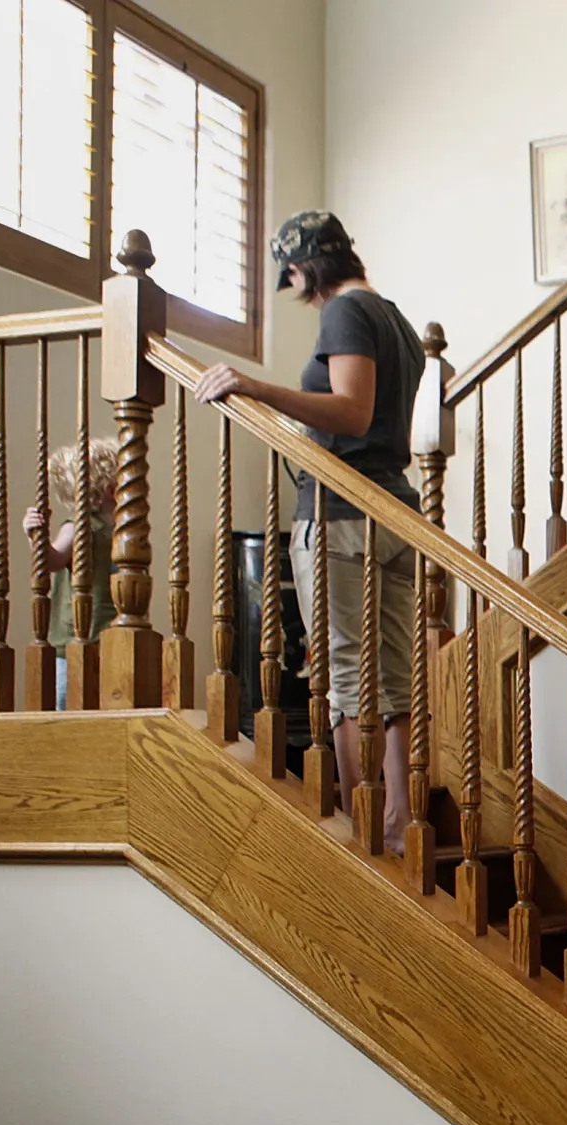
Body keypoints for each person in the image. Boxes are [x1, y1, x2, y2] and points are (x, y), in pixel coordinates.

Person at [194, 211, 424, 853]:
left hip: (340, 515)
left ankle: (363, 830)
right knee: (398, 681)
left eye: (290, 274)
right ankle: (401, 821)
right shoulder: (398, 321)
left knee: (348, 679)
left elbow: (352, 410)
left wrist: (255, 388)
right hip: (395, 515)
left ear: (301, 268)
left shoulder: (344, 314)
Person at [25, 437, 118, 708]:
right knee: (67, 701)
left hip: (106, 635)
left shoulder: (120, 530)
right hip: (72, 640)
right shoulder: (81, 526)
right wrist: (36, 537)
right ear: (112, 490)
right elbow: (52, 560)